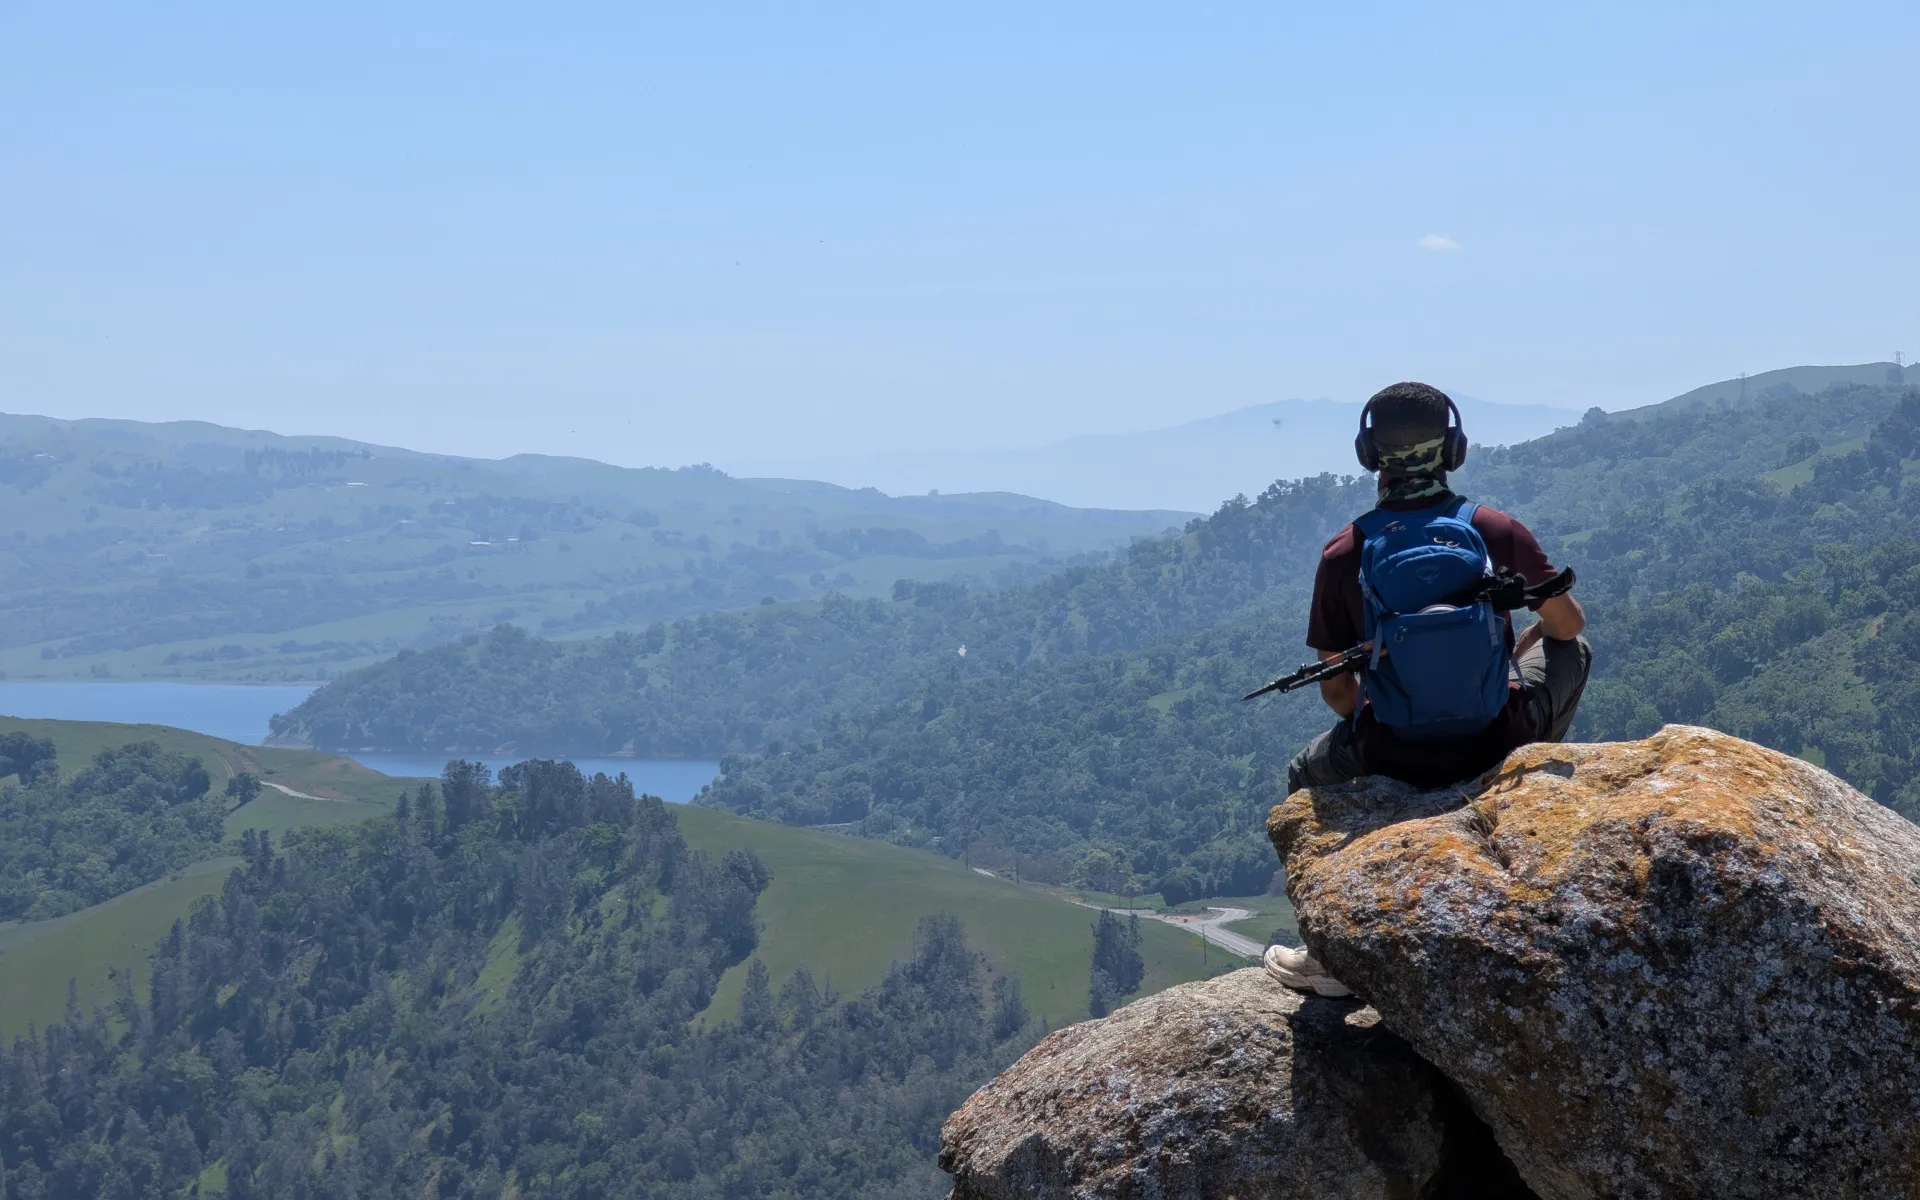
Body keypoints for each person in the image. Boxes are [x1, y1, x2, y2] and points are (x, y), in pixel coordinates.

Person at [1265, 381, 1590, 998]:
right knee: (1574, 651)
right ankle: (1521, 780)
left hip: (1393, 752)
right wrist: (1512, 650)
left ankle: (1328, 953)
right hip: (1497, 738)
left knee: (1305, 773)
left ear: (1369, 455)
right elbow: (1567, 627)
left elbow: (1339, 696)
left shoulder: (1346, 552)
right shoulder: (1495, 530)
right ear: (1455, 448)